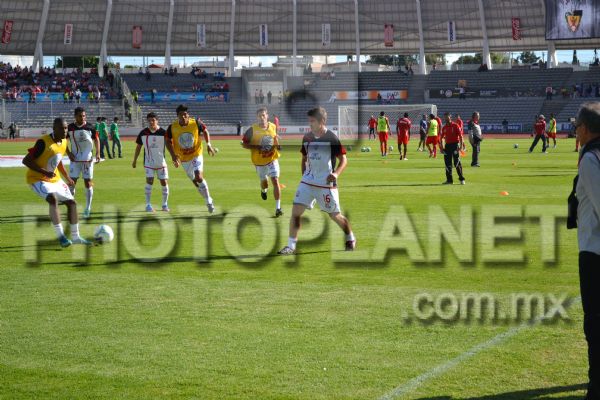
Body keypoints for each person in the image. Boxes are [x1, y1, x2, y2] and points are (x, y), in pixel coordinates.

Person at [278, 107, 355, 255]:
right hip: (307, 183)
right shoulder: (307, 137)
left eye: (313, 121)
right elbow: (304, 158)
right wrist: (304, 177)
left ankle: (350, 237)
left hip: (325, 184)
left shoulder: (332, 138)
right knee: (295, 212)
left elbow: (344, 159)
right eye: (309, 121)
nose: (310, 124)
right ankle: (291, 246)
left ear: (322, 121)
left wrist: (336, 174)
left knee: (334, 215)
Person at [568, 102, 600, 400]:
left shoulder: (591, 159)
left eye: (577, 126)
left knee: (595, 321)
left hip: (594, 252)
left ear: (587, 129)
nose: (575, 130)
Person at [23, 118, 92, 247]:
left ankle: (76, 237)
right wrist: (44, 172)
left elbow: (57, 160)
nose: (64, 131)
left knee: (72, 203)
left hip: (55, 179)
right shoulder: (43, 142)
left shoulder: (64, 141)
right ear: (54, 129)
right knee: (52, 199)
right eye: (61, 128)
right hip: (37, 179)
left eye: (65, 128)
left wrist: (67, 177)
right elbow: (26, 161)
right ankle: (61, 237)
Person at [165, 104, 216, 213]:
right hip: (183, 158)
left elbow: (205, 131)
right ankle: (207, 198)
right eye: (180, 115)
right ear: (177, 116)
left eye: (185, 114)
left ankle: (208, 201)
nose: (183, 117)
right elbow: (167, 141)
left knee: (198, 177)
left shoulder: (195, 123)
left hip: (196, 154)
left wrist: (208, 144)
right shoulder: (172, 127)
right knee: (195, 182)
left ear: (188, 115)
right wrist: (173, 155)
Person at [242, 108, 283, 217]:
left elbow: (275, 137)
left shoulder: (273, 126)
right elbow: (244, 144)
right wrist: (257, 147)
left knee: (275, 180)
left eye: (263, 115)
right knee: (264, 183)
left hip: (272, 159)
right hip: (259, 162)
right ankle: (264, 190)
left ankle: (278, 208)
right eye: (260, 115)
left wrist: (278, 145)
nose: (262, 117)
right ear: (257, 117)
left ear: (267, 116)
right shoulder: (252, 130)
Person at [132, 112, 173, 212]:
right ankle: (148, 205)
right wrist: (135, 160)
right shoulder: (143, 133)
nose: (151, 122)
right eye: (149, 120)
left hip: (161, 162)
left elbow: (170, 145)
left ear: (157, 121)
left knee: (164, 182)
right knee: (149, 181)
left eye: (153, 120)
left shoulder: (163, 132)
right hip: (148, 162)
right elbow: (138, 147)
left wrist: (174, 158)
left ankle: (164, 205)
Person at [66, 107, 100, 218]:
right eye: (80, 116)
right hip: (74, 159)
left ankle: (88, 208)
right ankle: (71, 208)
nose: (82, 118)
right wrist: (68, 153)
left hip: (87, 159)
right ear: (75, 116)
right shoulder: (70, 128)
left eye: (84, 116)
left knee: (88, 183)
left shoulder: (90, 127)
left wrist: (98, 153)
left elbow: (96, 139)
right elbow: (63, 141)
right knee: (72, 183)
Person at [440, 113, 465, 185]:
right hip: (447, 146)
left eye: (447, 117)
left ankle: (461, 179)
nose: (446, 119)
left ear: (450, 117)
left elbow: (460, 136)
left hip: (455, 146)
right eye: (445, 117)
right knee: (447, 164)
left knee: (457, 163)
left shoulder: (455, 125)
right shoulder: (444, 127)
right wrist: (441, 148)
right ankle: (449, 180)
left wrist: (461, 146)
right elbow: (441, 138)